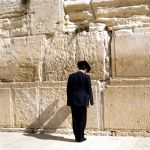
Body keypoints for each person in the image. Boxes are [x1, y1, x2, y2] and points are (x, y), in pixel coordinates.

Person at [67, 61, 94, 142]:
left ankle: (77, 137)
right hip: (83, 101)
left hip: (74, 101)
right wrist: (91, 101)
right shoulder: (86, 77)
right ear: (85, 68)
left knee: (75, 119)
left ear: (79, 67)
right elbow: (89, 90)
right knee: (82, 119)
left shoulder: (71, 76)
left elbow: (68, 90)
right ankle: (81, 137)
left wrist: (69, 100)